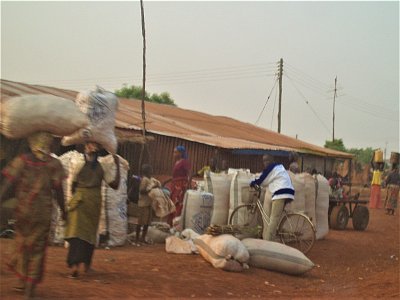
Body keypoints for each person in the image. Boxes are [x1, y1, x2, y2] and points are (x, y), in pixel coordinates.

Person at [0, 132, 67, 298]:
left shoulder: (21, 161)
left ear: (30, 142)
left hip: (23, 211)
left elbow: (8, 184)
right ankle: (29, 290)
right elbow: (58, 191)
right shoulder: (54, 164)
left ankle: (22, 283)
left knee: (22, 244)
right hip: (43, 213)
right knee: (37, 249)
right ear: (49, 144)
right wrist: (64, 212)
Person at [64, 142, 120, 279]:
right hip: (94, 201)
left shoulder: (79, 165)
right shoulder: (102, 167)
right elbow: (115, 184)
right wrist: (117, 166)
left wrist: (75, 197)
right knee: (89, 234)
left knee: (77, 234)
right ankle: (85, 266)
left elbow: (73, 185)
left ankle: (75, 266)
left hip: (80, 201)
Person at [250, 154, 295, 241]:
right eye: (264, 161)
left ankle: (268, 242)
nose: (265, 162)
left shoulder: (272, 168)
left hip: (282, 193)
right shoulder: (278, 168)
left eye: (267, 160)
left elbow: (262, 179)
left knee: (274, 218)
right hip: (283, 192)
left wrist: (253, 183)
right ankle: (270, 236)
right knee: (271, 217)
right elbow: (268, 181)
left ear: (272, 160)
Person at [135, 164, 161, 245]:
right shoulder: (145, 180)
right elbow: (142, 191)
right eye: (150, 170)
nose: (151, 172)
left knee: (146, 223)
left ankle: (142, 238)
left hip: (148, 204)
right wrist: (151, 188)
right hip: (143, 204)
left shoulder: (150, 180)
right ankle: (137, 239)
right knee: (140, 223)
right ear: (147, 172)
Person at [166, 145, 191, 225]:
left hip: (180, 187)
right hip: (174, 186)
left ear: (180, 153)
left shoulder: (184, 162)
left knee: (177, 204)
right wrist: (167, 181)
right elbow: (175, 176)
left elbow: (188, 174)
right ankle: (170, 224)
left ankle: (175, 224)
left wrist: (187, 185)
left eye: (175, 152)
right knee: (172, 204)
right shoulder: (177, 162)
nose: (173, 154)